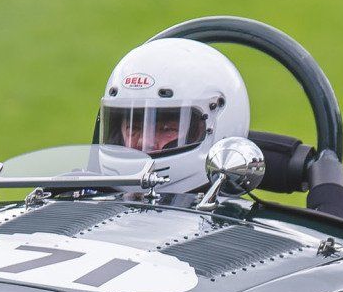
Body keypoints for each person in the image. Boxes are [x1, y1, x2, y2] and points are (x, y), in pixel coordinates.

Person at [94, 37, 251, 195]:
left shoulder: (236, 219)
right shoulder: (89, 201)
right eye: (132, 128)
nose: (144, 142)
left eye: (167, 129)